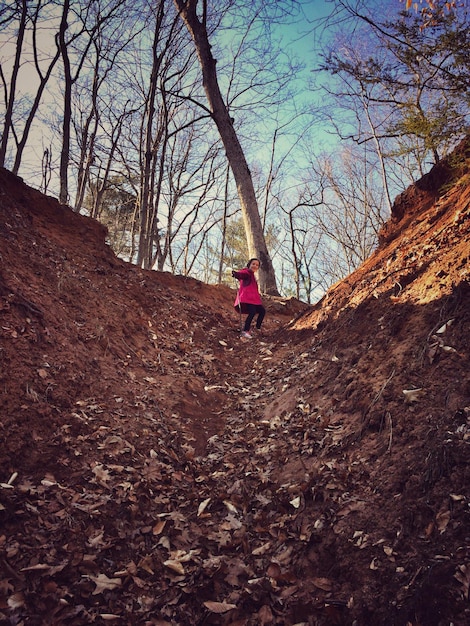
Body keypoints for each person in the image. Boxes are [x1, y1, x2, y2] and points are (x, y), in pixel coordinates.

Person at [232, 258, 266, 339]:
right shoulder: (247, 272)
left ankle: (257, 328)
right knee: (252, 312)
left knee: (262, 311)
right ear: (249, 265)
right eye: (253, 264)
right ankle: (245, 331)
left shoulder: (253, 276)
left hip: (254, 299)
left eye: (257, 265)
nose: (255, 266)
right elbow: (242, 274)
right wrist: (236, 274)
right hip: (247, 297)